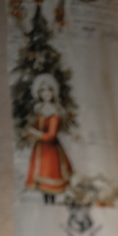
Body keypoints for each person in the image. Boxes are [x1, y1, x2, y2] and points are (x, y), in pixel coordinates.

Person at [25, 73, 73, 203]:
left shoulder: (55, 112)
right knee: (42, 186)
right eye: (42, 90)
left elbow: (51, 135)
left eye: (49, 90)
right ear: (38, 93)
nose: (46, 93)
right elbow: (36, 126)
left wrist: (35, 133)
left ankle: (51, 208)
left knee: (50, 181)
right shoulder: (39, 108)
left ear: (54, 91)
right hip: (40, 150)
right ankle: (46, 206)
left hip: (51, 153)